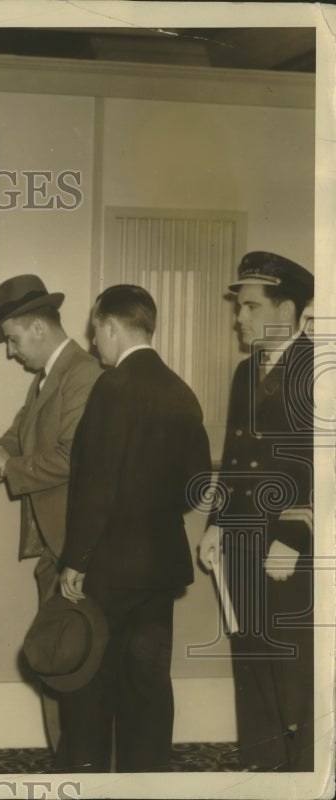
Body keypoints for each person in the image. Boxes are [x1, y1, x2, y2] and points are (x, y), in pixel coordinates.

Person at [57, 284, 211, 772]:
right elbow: (199, 486)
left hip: (107, 568)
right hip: (159, 567)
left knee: (90, 689)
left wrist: (76, 560)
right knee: (147, 688)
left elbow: (96, 485)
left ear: (109, 325)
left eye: (96, 331)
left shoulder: (114, 386)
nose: (95, 342)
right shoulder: (179, 388)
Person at [197, 252, 315, 771]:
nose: (238, 318)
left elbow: (316, 459)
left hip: (286, 549)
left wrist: (294, 538)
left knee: (294, 674)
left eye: (248, 306)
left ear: (285, 309)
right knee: (250, 663)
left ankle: (305, 777)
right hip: (243, 544)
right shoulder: (247, 371)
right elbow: (238, 457)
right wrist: (215, 524)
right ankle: (264, 775)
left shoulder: (317, 368)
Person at [0, 274, 101, 751]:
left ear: (38, 328)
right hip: (55, 547)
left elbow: (74, 457)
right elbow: (19, 431)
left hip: (75, 550)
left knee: (71, 667)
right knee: (56, 663)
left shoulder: (83, 374)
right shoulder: (48, 377)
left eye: (11, 339)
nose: (10, 352)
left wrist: (11, 465)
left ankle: (80, 770)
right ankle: (66, 765)